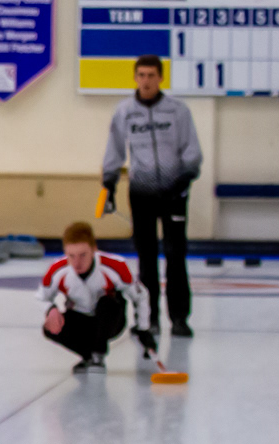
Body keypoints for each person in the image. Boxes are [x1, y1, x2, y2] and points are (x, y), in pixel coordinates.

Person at [101, 54, 202, 339]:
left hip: (174, 193)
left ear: (161, 78)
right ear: (135, 78)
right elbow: (114, 150)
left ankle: (179, 319)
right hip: (141, 194)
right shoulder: (124, 112)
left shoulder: (178, 111)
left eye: (151, 76)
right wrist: (109, 184)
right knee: (146, 258)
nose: (146, 81)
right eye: (141, 75)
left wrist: (185, 177)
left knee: (175, 255)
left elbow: (192, 149)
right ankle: (149, 319)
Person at [39, 221, 151, 374]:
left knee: (107, 303)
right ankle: (89, 356)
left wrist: (143, 329)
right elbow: (42, 297)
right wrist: (51, 310)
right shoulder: (57, 271)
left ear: (94, 249)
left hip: (110, 321)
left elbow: (140, 295)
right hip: (81, 321)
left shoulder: (115, 266)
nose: (77, 263)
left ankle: (98, 353)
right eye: (71, 256)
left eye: (83, 255)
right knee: (50, 328)